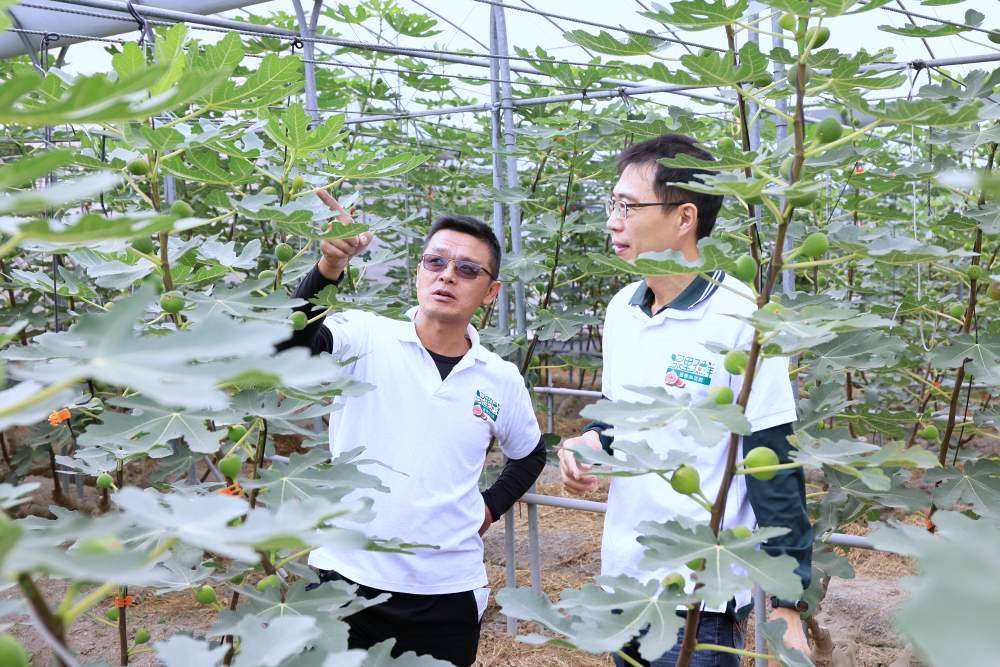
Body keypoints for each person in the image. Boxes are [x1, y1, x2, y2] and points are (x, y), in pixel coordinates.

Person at [557, 134, 812, 666]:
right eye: (613, 204)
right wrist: (586, 445)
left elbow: (772, 459)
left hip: (702, 591)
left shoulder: (745, 316)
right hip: (625, 577)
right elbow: (617, 421)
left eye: (627, 205)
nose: (613, 220)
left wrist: (788, 602)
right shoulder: (621, 309)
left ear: (684, 218)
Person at [278, 191, 546, 666]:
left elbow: (529, 454)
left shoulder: (499, 377)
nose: (447, 275)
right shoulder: (361, 335)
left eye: (467, 269)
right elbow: (288, 348)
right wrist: (327, 268)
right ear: (418, 272)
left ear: (490, 292)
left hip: (447, 592)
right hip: (347, 579)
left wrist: (489, 507)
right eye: (435, 261)